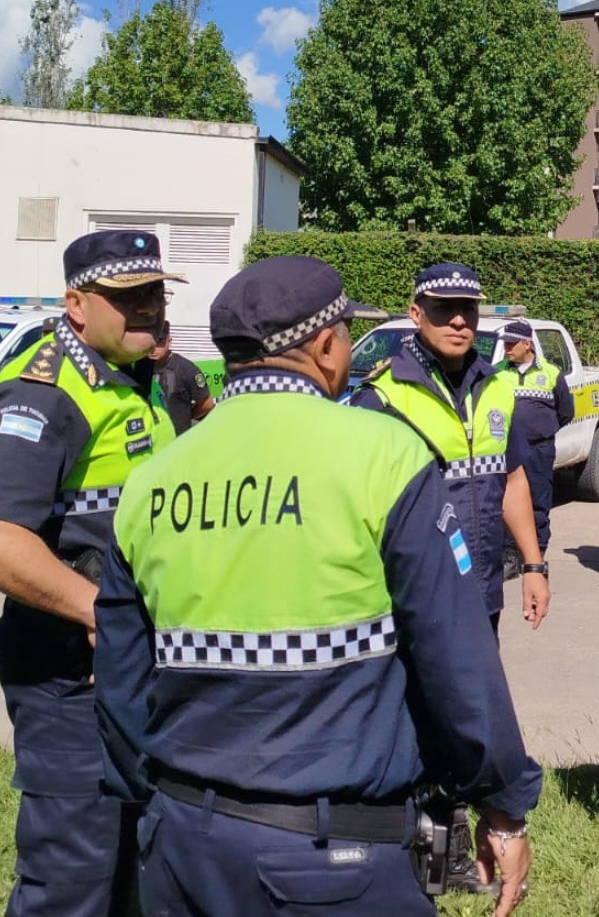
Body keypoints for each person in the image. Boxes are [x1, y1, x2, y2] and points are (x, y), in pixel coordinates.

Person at [92, 255, 540, 917]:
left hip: (182, 846)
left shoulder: (153, 479)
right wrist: (502, 803)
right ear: (328, 345)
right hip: (332, 856)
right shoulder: (383, 454)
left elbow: (122, 684)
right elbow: (456, 654)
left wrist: (160, 803)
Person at [0, 230, 180, 916]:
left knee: (132, 868)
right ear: (76, 305)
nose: (148, 306)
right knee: (73, 880)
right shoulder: (45, 393)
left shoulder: (130, 382)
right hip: (67, 675)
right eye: (127, 296)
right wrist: (98, 612)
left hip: (127, 667)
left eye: (155, 292)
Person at [350, 262, 549, 895]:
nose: (459, 320)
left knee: (469, 711)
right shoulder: (383, 394)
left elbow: (511, 478)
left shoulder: (498, 387)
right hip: (414, 591)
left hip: (481, 585)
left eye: (468, 308)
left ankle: (452, 847)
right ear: (416, 314)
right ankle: (418, 844)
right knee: (415, 714)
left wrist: (534, 563)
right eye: (443, 309)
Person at [495, 319, 574, 576]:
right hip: (507, 450)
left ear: (527, 344)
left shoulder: (551, 373)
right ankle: (510, 557)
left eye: (511, 343)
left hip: (539, 449)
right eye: (505, 343)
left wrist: (542, 430)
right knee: (507, 504)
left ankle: (536, 558)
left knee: (539, 504)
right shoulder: (496, 373)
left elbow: (566, 411)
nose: (506, 348)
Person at [149, 321, 214, 434]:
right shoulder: (137, 365)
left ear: (169, 341)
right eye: (151, 341)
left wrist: (184, 417)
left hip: (177, 437)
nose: (154, 347)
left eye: (159, 341)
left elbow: (206, 404)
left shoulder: (185, 368)